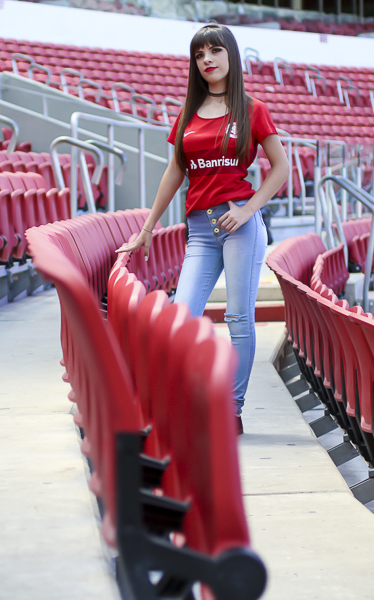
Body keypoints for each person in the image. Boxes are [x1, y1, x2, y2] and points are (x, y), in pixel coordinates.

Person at [116, 23, 290, 434]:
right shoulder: (189, 115)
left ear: (231, 56)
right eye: (199, 54)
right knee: (181, 316)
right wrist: (147, 227)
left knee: (237, 317)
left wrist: (249, 211)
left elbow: (281, 168)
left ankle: (232, 410)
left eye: (215, 51)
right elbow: (175, 172)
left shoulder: (252, 108)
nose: (207, 59)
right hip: (200, 230)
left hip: (240, 227)